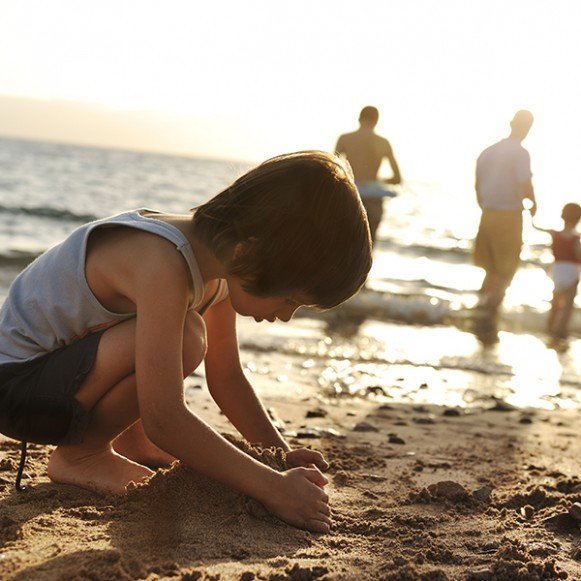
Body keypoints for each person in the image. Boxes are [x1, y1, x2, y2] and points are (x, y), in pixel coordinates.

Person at [0, 151, 372, 533]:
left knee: (182, 334)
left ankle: (129, 442)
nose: (286, 315)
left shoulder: (219, 265)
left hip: (55, 380)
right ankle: (82, 454)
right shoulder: (162, 261)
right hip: (17, 389)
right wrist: (272, 488)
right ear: (252, 252)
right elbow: (165, 418)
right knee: (188, 337)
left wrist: (279, 457)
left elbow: (227, 378)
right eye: (291, 299)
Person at [473, 109, 537, 316]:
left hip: (488, 212)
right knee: (507, 266)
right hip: (508, 213)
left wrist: (484, 203)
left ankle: (480, 305)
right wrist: (534, 202)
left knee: (490, 265)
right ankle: (493, 309)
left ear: (511, 123)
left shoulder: (489, 151)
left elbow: (477, 183)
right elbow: (524, 182)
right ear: (527, 128)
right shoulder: (520, 153)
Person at [335, 106, 401, 246]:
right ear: (377, 121)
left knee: (344, 244)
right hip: (374, 198)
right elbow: (397, 178)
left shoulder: (345, 138)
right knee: (368, 247)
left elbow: (332, 168)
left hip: (351, 195)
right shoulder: (383, 143)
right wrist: (375, 182)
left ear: (359, 119)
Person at [533, 203, 581, 340]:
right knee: (567, 306)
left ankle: (550, 326)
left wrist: (531, 216)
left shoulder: (555, 233)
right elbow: (578, 254)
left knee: (556, 301)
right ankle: (561, 331)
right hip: (572, 273)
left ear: (563, 216)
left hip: (558, 271)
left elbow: (536, 227)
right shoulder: (575, 237)